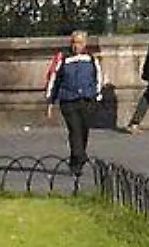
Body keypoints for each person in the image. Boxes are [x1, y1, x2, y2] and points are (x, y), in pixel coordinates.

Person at [44, 31, 105, 175]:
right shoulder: (63, 59)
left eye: (79, 42)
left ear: (85, 44)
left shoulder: (91, 59)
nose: (76, 45)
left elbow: (98, 78)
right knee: (75, 130)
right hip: (68, 100)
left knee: (83, 131)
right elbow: (54, 79)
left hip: (87, 99)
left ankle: (76, 162)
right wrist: (50, 101)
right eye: (74, 42)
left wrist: (97, 96)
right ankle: (80, 155)